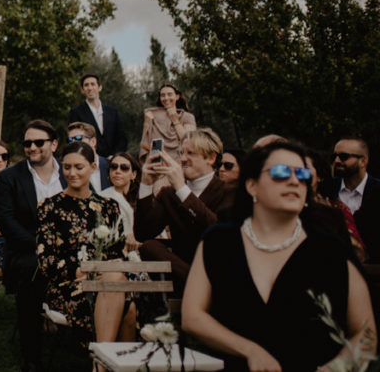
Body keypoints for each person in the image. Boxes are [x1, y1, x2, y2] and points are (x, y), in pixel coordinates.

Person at [182, 141, 376, 371]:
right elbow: (192, 317)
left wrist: (332, 370)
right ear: (252, 185)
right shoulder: (220, 241)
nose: (294, 180)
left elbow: (366, 334)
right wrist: (250, 351)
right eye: (281, 172)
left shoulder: (329, 249)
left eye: (302, 173)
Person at [35, 141, 133, 343]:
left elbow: (119, 254)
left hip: (106, 278)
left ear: (93, 167)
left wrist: (97, 272)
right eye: (67, 167)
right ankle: (104, 362)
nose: (72, 173)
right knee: (123, 301)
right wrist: (79, 271)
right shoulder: (49, 207)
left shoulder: (109, 207)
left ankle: (102, 362)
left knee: (125, 300)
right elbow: (45, 260)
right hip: (68, 283)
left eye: (79, 167)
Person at [0, 119, 62, 371]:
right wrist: (41, 246)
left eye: (39, 142)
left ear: (54, 144)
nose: (32, 147)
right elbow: (6, 221)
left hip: (70, 250)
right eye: (27, 143)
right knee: (32, 276)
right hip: (26, 250)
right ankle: (31, 357)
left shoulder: (70, 172)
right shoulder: (9, 177)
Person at [135, 127, 234, 289]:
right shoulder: (169, 193)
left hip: (215, 264)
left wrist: (182, 189)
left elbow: (219, 233)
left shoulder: (228, 191)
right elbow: (142, 233)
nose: (183, 159)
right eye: (181, 153)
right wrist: (146, 184)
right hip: (182, 268)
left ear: (210, 158)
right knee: (149, 247)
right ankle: (199, 287)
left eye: (190, 153)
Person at [324, 137, 380, 262]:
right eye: (334, 156)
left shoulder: (377, 191)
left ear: (363, 161)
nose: (337, 161)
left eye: (344, 157)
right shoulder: (326, 190)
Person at [67, 73, 127, 157]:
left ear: (100, 87)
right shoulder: (76, 112)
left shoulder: (113, 112)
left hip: (113, 161)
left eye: (93, 84)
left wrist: (114, 156)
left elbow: (122, 138)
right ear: (82, 90)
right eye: (86, 85)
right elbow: (75, 139)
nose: (90, 88)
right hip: (88, 160)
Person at [139, 83, 196, 160]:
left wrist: (175, 120)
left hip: (180, 162)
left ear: (177, 96)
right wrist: (146, 123)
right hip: (159, 163)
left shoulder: (187, 117)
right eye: (163, 95)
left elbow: (190, 142)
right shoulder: (153, 116)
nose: (166, 98)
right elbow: (145, 144)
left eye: (169, 94)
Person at [108, 152, 140, 252]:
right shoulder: (101, 197)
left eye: (124, 168)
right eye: (114, 167)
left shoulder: (142, 197)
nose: (118, 171)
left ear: (133, 174)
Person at [66, 122, 112, 192]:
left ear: (93, 141)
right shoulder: (66, 171)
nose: (73, 143)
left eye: (78, 138)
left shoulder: (111, 166)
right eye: (70, 140)